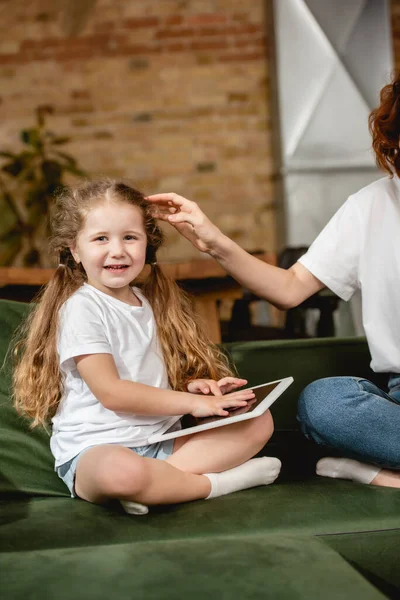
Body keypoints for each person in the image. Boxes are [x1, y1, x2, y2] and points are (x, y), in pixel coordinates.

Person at [148, 74, 400, 490]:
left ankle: (379, 475)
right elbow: (289, 289)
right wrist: (214, 241)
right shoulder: (371, 206)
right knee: (325, 404)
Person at [12, 179, 281, 516]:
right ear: (75, 250)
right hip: (97, 450)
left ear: (147, 245)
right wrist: (193, 403)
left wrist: (195, 390)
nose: (117, 250)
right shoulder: (82, 308)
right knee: (122, 472)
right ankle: (216, 484)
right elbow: (113, 392)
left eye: (130, 237)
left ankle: (154, 487)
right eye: (100, 239)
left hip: (161, 441)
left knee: (259, 421)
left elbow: (148, 377)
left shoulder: (148, 301)